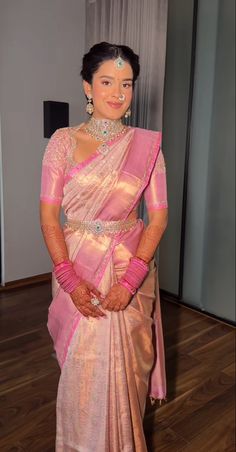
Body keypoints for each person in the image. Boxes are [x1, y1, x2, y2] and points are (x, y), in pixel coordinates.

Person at [40, 41, 168, 452]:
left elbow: (159, 217)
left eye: (126, 84)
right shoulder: (62, 141)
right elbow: (48, 217)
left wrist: (130, 282)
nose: (117, 93)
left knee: (125, 375)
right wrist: (70, 281)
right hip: (76, 268)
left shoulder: (148, 148)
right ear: (87, 86)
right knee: (81, 372)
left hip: (127, 272)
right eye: (107, 81)